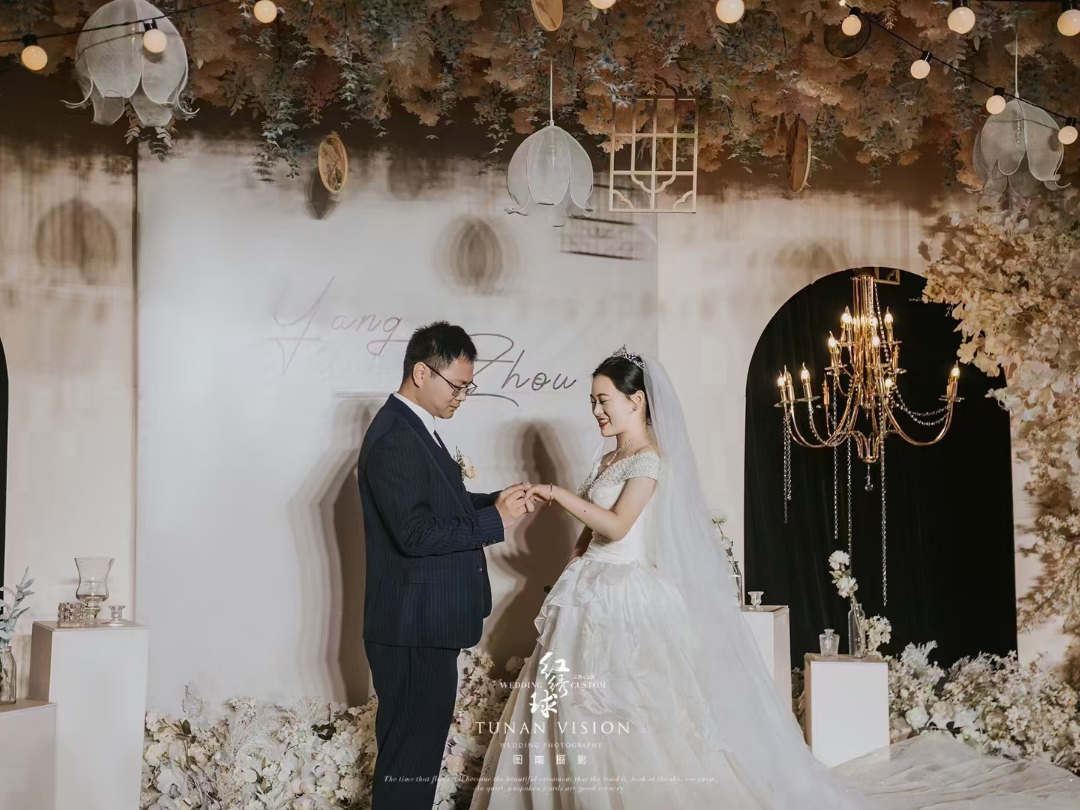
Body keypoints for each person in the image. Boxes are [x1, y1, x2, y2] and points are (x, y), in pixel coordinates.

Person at [469, 347, 1080, 810]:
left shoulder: (650, 460)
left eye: (606, 400)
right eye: (593, 401)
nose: (597, 411)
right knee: (571, 710)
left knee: (633, 712)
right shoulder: (609, 458)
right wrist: (571, 565)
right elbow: (592, 535)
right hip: (590, 593)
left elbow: (621, 524)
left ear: (639, 401)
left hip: (627, 597)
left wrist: (557, 494)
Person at [358, 321, 533, 809]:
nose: (461, 396)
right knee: (408, 767)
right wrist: (495, 520)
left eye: (466, 387)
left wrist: (496, 500)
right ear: (421, 373)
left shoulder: (414, 428)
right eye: (456, 385)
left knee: (413, 763)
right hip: (413, 629)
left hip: (423, 626)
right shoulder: (395, 436)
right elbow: (414, 534)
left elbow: (438, 507)